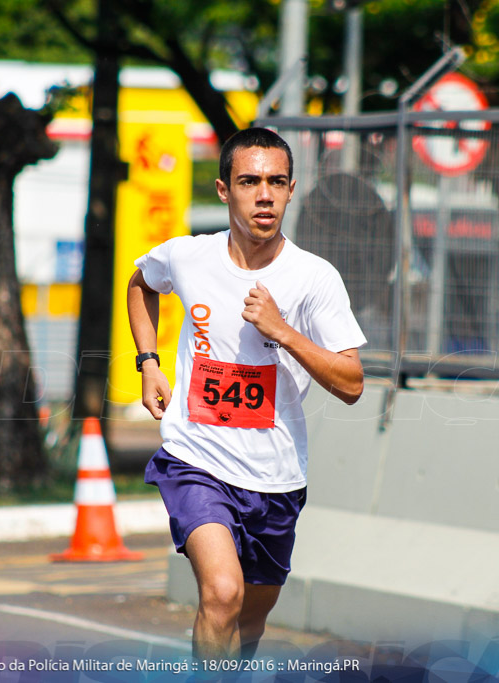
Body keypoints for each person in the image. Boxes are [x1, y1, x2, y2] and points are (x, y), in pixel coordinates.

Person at [127, 127, 366, 662]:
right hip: (197, 460)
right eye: (249, 181)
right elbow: (141, 283)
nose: (264, 194)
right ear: (223, 189)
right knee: (223, 594)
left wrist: (283, 331)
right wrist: (148, 363)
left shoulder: (313, 277)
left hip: (276, 476)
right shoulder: (188, 256)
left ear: (291, 189)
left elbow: (351, 383)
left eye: (276, 182)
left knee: (249, 619)